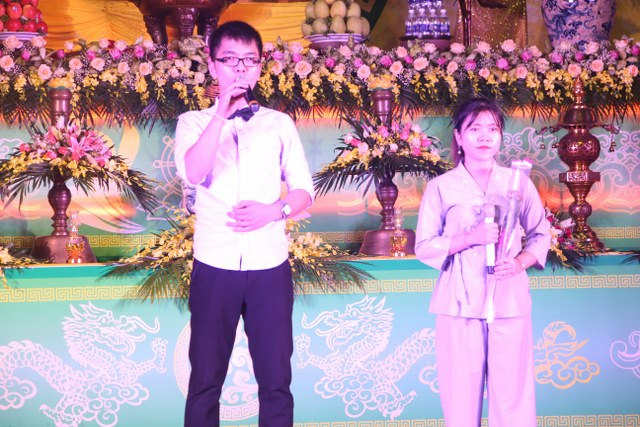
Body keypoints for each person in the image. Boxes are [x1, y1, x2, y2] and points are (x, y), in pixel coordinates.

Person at [174, 21, 314, 427]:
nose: (240, 69)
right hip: (215, 265)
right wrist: (221, 111)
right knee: (205, 380)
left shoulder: (279, 123)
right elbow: (194, 173)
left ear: (260, 66)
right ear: (212, 64)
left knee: (276, 381)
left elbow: (304, 190)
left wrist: (275, 211)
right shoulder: (192, 122)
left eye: (249, 60)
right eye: (230, 60)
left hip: (269, 266)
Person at [414, 98, 550, 427]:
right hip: (459, 302)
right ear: (459, 136)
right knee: (460, 396)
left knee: (513, 395)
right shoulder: (441, 187)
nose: (485, 136)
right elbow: (424, 246)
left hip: (508, 297)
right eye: (475, 129)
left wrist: (520, 263)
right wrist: (469, 238)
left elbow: (540, 234)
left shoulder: (518, 182)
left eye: (493, 129)